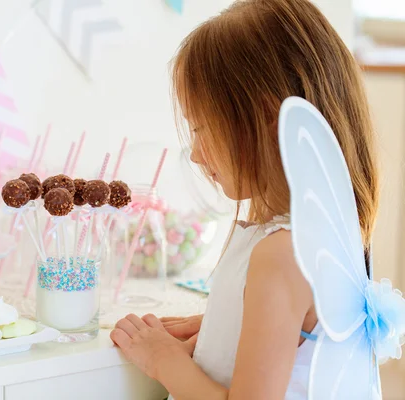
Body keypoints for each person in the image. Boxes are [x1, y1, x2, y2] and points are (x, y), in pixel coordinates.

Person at [110, 0, 378, 399]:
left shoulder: (281, 253)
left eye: (201, 128)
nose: (197, 154)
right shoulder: (322, 230)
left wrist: (163, 359)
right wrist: (225, 322)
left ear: (266, 119)